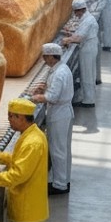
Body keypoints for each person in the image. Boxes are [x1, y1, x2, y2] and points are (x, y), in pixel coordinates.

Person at [32, 42, 73, 195]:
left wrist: (36, 97)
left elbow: (53, 97)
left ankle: (59, 185)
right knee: (64, 149)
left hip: (59, 114)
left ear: (51, 56)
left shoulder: (60, 73)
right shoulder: (59, 69)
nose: (43, 59)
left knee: (57, 150)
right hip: (64, 112)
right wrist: (44, 87)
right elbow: (54, 89)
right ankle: (64, 180)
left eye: (45, 56)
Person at [61, 0, 100, 107]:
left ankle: (88, 101)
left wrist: (67, 40)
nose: (75, 14)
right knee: (88, 73)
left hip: (88, 48)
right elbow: (79, 33)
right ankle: (87, 97)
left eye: (75, 12)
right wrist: (70, 35)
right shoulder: (86, 18)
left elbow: (79, 38)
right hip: (89, 46)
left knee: (87, 74)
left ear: (80, 10)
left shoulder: (88, 20)